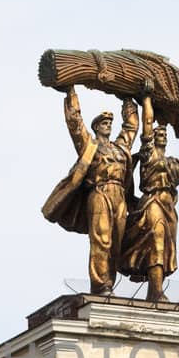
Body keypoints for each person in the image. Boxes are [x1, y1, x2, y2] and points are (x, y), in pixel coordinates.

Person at [41, 86, 140, 294]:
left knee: (115, 243)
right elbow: (75, 124)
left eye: (110, 123)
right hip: (99, 193)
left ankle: (109, 283)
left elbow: (131, 128)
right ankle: (100, 284)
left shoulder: (120, 147)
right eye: (104, 123)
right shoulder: (89, 145)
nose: (108, 126)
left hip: (119, 196)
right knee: (101, 239)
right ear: (96, 127)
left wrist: (129, 97)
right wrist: (71, 93)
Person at [122, 96, 179, 302]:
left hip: (169, 206)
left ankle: (154, 289)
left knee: (166, 246)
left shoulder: (171, 162)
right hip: (152, 202)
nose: (161, 135)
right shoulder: (148, 154)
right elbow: (148, 124)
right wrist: (147, 99)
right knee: (157, 239)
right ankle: (157, 291)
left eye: (164, 134)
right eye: (158, 133)